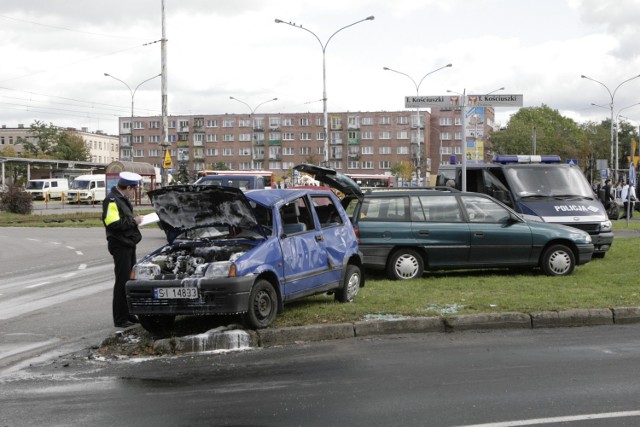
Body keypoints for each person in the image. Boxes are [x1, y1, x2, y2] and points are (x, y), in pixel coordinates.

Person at [102, 172, 143, 328]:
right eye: (133, 189)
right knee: (122, 282)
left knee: (129, 280)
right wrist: (134, 221)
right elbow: (112, 224)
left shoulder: (121, 199)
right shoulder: (112, 200)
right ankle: (120, 318)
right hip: (120, 245)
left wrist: (133, 221)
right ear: (127, 187)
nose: (133, 192)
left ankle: (129, 314)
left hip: (127, 243)